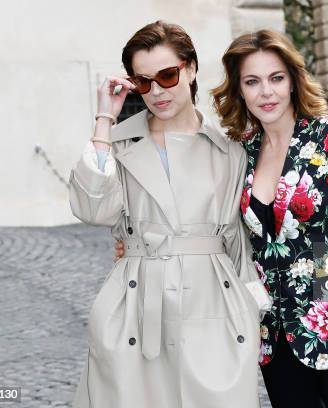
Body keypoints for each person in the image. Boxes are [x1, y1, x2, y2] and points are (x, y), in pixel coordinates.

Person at [69, 21, 264, 408]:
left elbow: (240, 239)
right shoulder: (120, 143)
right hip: (135, 306)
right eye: (143, 82)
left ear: (191, 68)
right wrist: (104, 120)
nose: (156, 91)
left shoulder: (229, 148)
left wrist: (250, 308)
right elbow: (92, 209)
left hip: (213, 304)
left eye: (168, 75)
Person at [211, 30, 328, 408]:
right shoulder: (241, 152)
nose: (266, 92)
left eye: (276, 78)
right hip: (275, 337)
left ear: (293, 81)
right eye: (252, 81)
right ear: (239, 89)